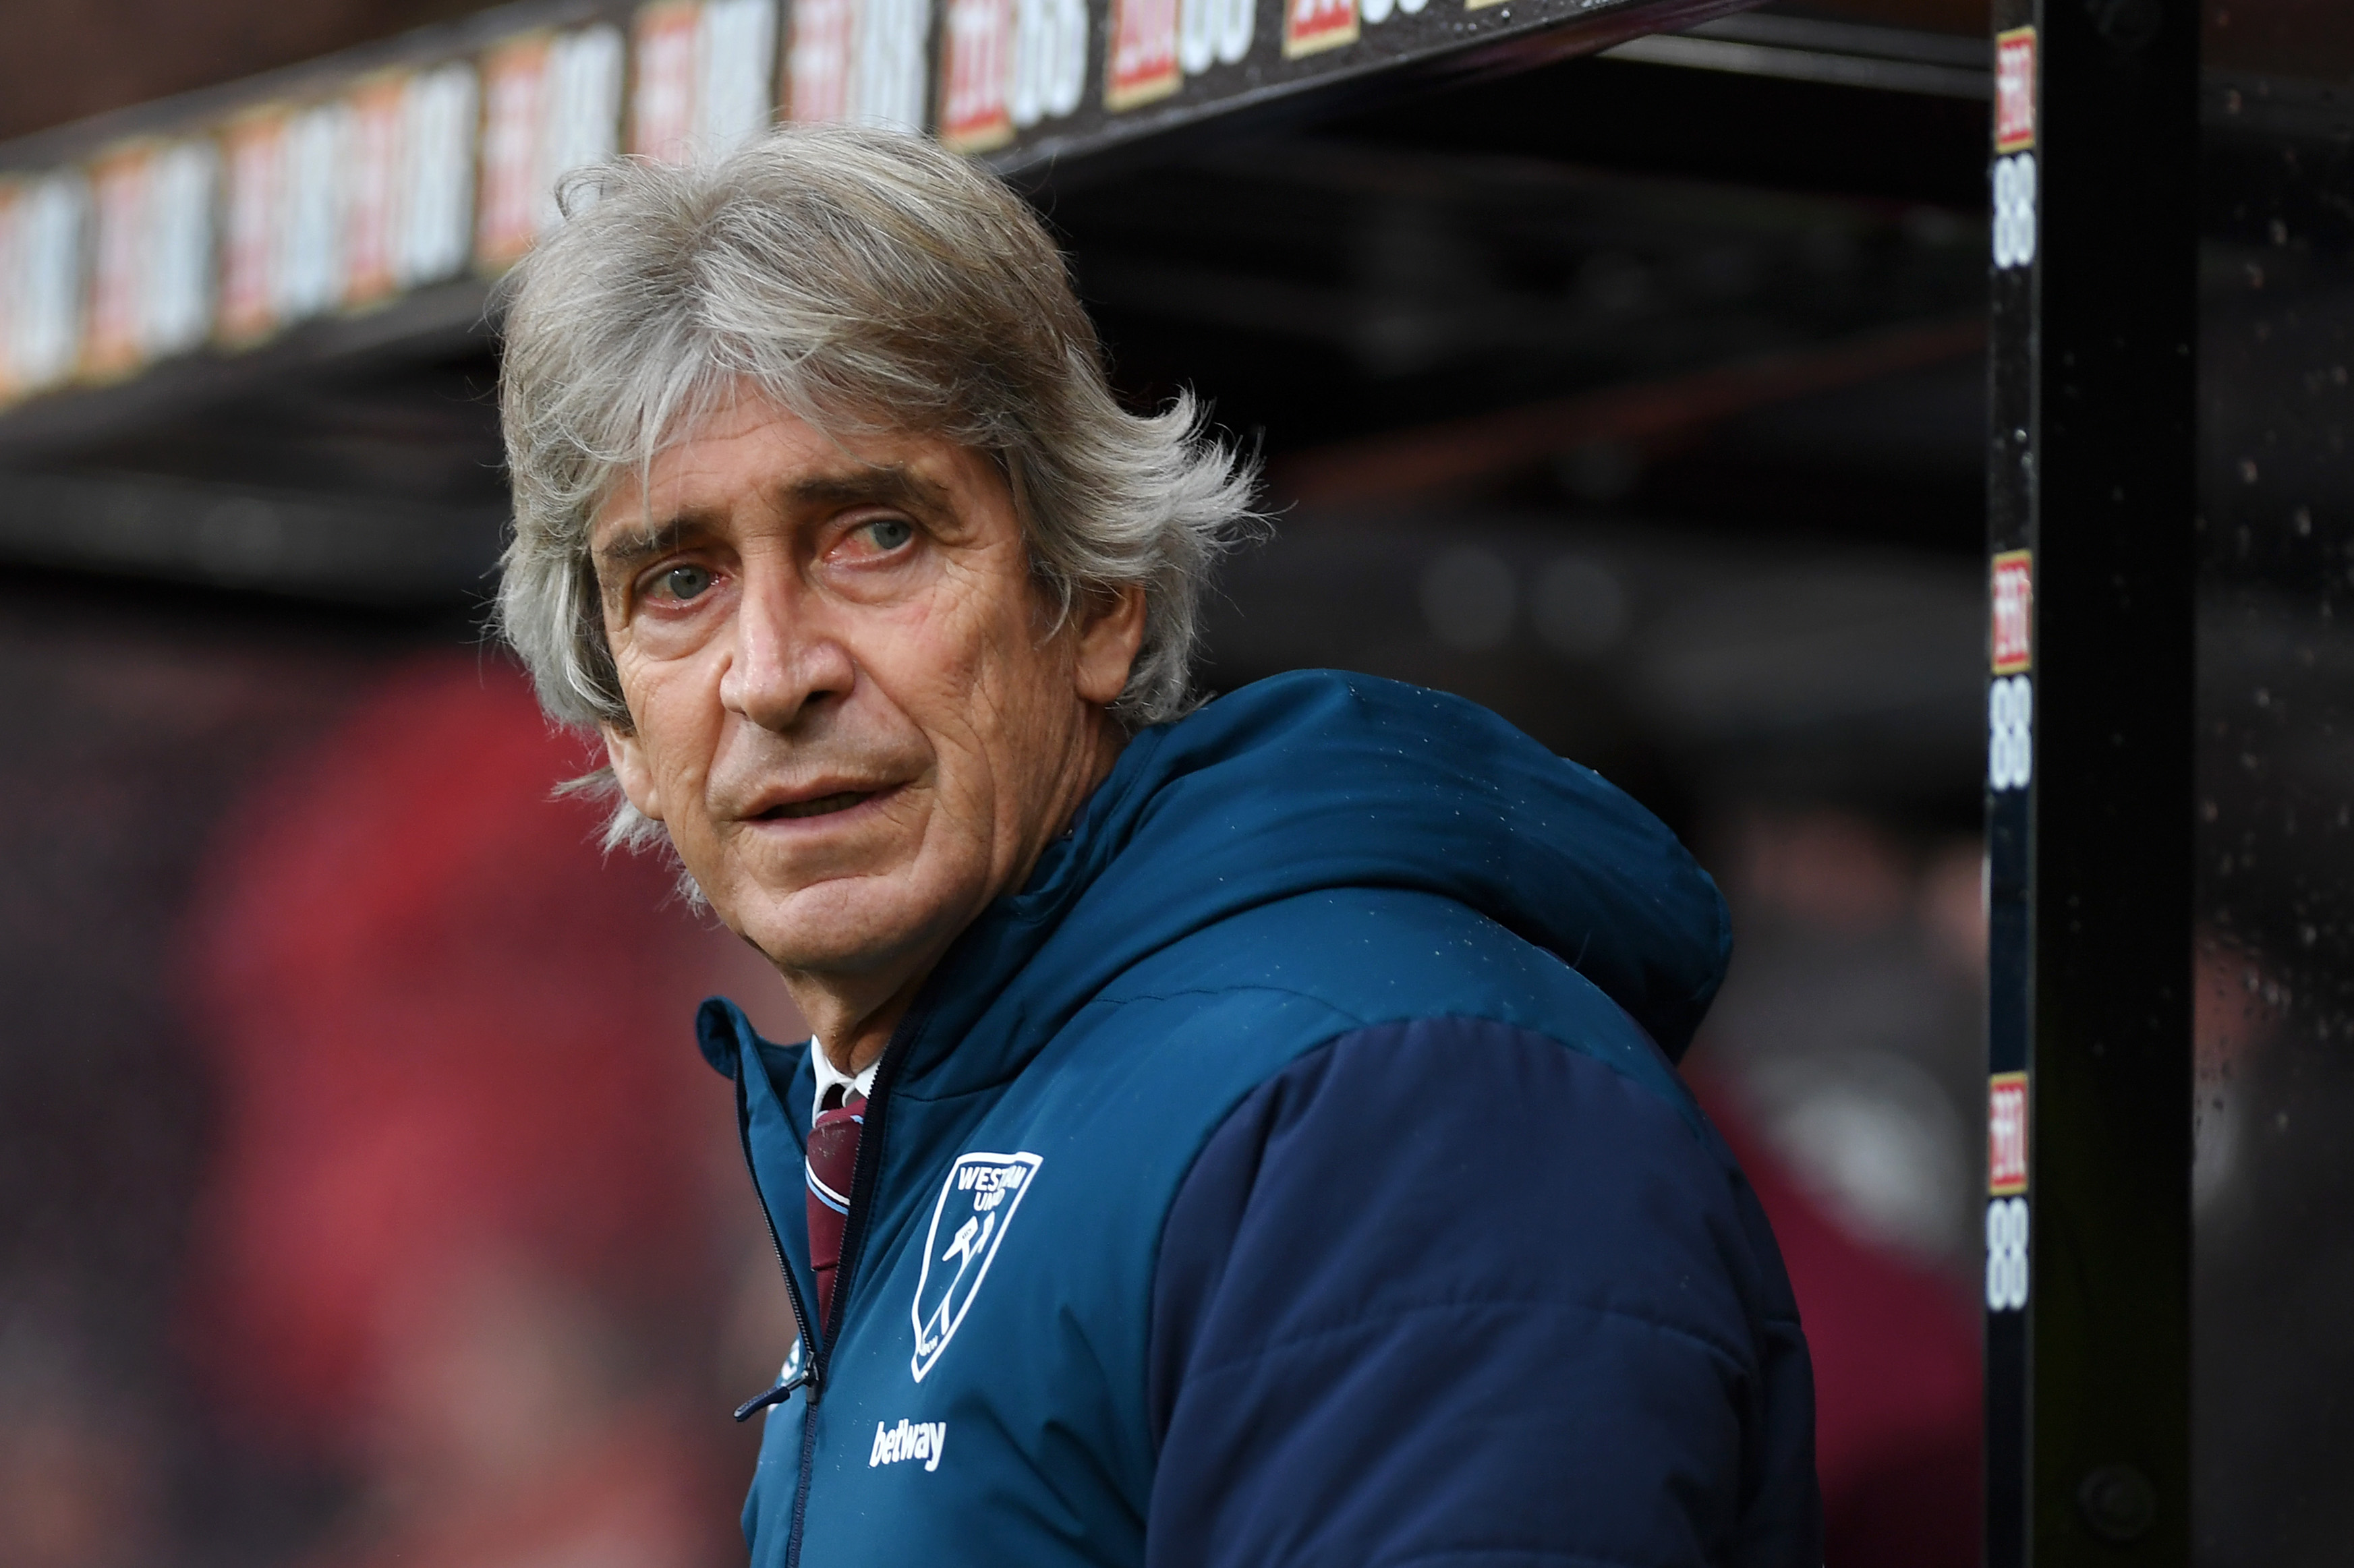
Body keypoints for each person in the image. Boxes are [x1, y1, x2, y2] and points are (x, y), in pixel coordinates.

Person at [496, 124, 1819, 1567]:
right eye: (677, 579)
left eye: (875, 534)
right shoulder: (941, 1125)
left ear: (1099, 597)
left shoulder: (1389, 1097)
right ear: (617, 720)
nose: (772, 670)